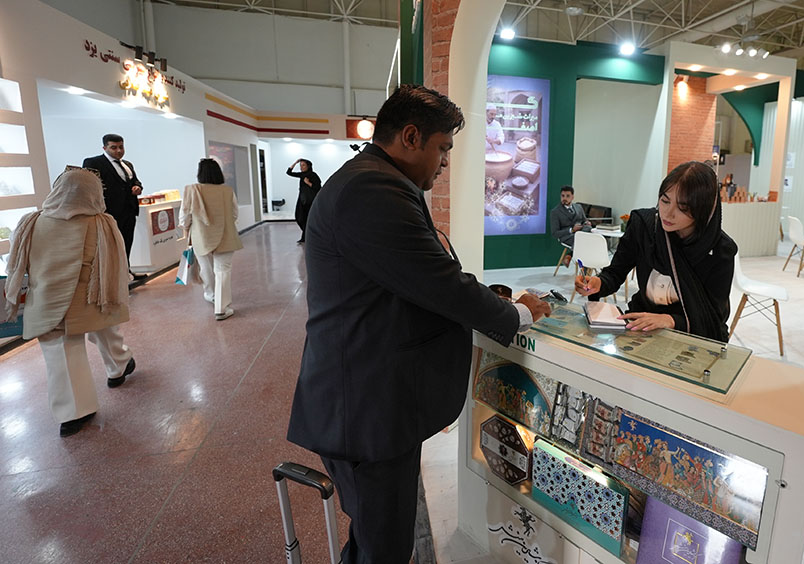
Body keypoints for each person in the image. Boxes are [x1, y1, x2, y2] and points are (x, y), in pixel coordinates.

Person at [286, 84, 551, 564]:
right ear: (410, 136)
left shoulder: (374, 180)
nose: (445, 162)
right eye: (443, 148)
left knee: (377, 539)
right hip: (365, 410)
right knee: (383, 548)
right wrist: (518, 314)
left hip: (369, 403)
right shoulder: (372, 190)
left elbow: (408, 278)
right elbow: (440, 283)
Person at [3, 168, 135, 437]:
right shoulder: (101, 222)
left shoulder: (31, 222)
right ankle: (119, 366)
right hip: (93, 297)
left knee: (61, 350)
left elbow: (18, 261)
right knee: (105, 329)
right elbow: (116, 261)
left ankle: (76, 412)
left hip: (46, 300)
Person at [575, 161, 737, 341]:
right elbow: (615, 273)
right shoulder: (645, 226)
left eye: (683, 208)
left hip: (690, 335)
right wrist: (598, 283)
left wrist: (670, 320)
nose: (668, 213)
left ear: (703, 210)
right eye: (665, 201)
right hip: (640, 323)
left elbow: (713, 318)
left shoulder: (720, 250)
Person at [180, 158, 243, 321]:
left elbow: (184, 217)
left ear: (199, 173)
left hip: (201, 235)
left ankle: (211, 295)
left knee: (206, 268)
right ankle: (221, 308)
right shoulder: (227, 191)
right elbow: (234, 214)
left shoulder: (191, 190)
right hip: (226, 234)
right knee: (223, 270)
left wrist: (189, 227)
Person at [82, 134, 142, 272]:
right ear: (104, 148)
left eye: (121, 147)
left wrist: (137, 187)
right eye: (114, 147)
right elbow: (90, 185)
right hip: (109, 212)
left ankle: (126, 271)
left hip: (129, 210)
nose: (119, 151)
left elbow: (135, 180)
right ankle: (113, 275)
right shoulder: (93, 162)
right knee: (111, 246)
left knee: (127, 242)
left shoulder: (127, 164)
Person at [286, 158, 322, 244]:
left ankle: (306, 237)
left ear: (308, 166)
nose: (301, 167)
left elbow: (318, 187)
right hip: (302, 200)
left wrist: (308, 183)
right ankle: (307, 235)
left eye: (303, 165)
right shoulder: (302, 175)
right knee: (299, 217)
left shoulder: (313, 175)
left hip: (310, 201)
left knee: (307, 219)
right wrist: (295, 162)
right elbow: (289, 172)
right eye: (300, 165)